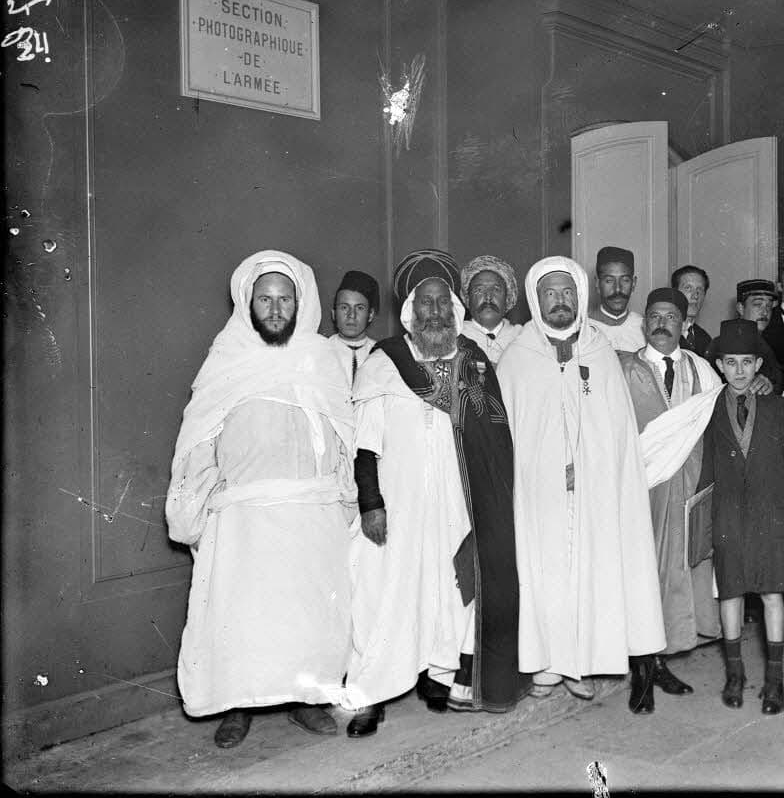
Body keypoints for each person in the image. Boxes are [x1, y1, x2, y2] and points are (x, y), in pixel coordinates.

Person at [165, 250, 355, 748]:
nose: (275, 309)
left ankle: (303, 700)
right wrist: (197, 503)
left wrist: (346, 494)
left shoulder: (320, 358)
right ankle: (238, 706)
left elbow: (342, 433)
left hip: (311, 509)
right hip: (244, 513)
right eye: (265, 299)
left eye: (284, 298)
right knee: (242, 620)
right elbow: (199, 439)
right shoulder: (226, 359)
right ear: (248, 302)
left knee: (308, 616)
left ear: (301, 301)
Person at [342, 249, 528, 737]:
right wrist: (371, 503)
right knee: (384, 595)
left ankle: (437, 676)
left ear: (455, 310)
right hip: (396, 506)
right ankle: (368, 695)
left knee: (450, 594)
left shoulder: (474, 360)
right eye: (426, 304)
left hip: (455, 505)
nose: (436, 313)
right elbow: (365, 445)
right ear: (410, 312)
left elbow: (494, 437)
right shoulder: (386, 361)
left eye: (443, 303)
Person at [498, 256, 667, 713]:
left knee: (589, 572)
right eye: (550, 294)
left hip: (592, 492)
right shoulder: (518, 356)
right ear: (537, 300)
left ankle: (579, 664)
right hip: (538, 494)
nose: (559, 302)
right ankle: (546, 664)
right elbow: (513, 431)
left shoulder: (599, 351)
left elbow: (613, 432)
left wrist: (587, 467)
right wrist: (550, 466)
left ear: (580, 296)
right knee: (545, 573)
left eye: (567, 293)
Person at [619, 287, 723, 700]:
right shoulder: (622, 369)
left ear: (684, 324)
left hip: (685, 489)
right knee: (639, 574)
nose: (662, 324)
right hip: (638, 489)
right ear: (644, 323)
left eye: (671, 317)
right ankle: (642, 667)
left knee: (672, 575)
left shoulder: (701, 370)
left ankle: (658, 659)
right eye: (655, 317)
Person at [701, 318, 784, 714]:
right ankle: (735, 675)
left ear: (759, 365)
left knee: (772, 593)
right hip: (728, 515)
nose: (740, 371)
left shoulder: (778, 408)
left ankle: (775, 681)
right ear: (719, 366)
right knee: (729, 592)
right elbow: (704, 468)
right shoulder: (708, 409)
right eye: (731, 362)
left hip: (772, 515)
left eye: (747, 362)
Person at [708, 279, 784, 394]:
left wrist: (769, 385)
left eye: (769, 306)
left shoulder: (770, 344)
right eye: (758, 304)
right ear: (740, 308)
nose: (765, 312)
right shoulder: (720, 344)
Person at [460, 254, 523, 364]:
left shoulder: (523, 339)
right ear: (466, 299)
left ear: (508, 299)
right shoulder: (453, 339)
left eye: (496, 290)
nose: (488, 297)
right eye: (479, 290)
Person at [329, 269, 380, 391]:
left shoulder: (380, 354)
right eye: (344, 307)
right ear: (334, 314)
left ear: (371, 315)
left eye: (360, 308)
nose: (351, 315)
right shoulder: (322, 351)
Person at [588, 245, 646, 351]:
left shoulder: (645, 327)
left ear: (633, 284)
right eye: (609, 281)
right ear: (597, 283)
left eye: (625, 280)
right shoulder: (584, 329)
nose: (618, 289)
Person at [671, 264, 713, 358]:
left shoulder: (705, 339)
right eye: (688, 288)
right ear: (674, 293)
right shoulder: (662, 333)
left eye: (700, 290)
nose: (695, 296)